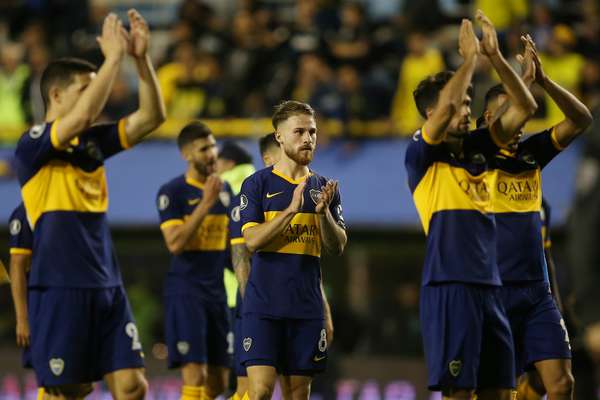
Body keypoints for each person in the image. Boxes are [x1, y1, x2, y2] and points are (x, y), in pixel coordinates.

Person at [13, 10, 165, 399]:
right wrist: (112, 58)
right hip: (60, 287)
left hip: (106, 284)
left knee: (132, 387)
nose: (96, 99)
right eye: (86, 89)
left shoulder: (92, 143)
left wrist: (140, 59)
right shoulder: (33, 145)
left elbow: (152, 116)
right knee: (70, 390)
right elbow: (79, 119)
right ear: (56, 95)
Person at [405, 11, 537, 399]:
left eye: (468, 103)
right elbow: (447, 107)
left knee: (501, 392)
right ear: (433, 114)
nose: (468, 111)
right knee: (459, 393)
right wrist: (468, 62)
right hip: (450, 285)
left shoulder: (480, 148)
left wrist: (494, 58)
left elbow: (525, 107)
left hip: (490, 287)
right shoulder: (420, 155)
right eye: (462, 104)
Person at [480, 35, 592, 400]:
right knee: (499, 391)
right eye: (509, 108)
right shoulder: (476, 157)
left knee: (561, 384)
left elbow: (580, 119)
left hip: (536, 293)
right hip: (494, 292)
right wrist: (515, 75)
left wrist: (544, 81)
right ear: (487, 118)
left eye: (523, 109)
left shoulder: (532, 153)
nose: (519, 115)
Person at [239, 102, 347, 400]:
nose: (308, 138)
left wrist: (323, 214)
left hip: (305, 307)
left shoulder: (325, 187)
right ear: (280, 137)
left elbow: (336, 246)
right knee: (259, 391)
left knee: (298, 394)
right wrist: (289, 211)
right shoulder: (257, 184)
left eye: (312, 132)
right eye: (299, 131)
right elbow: (252, 241)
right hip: (264, 306)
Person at [157, 122, 233, 400]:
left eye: (213, 146)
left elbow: (230, 248)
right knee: (195, 374)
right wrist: (205, 204)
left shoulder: (226, 193)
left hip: (217, 293)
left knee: (219, 382)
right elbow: (175, 243)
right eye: (204, 149)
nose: (212, 154)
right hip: (186, 291)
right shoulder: (172, 192)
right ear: (186, 154)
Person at [8, 203, 54, 399]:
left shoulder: (63, 208)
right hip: (43, 307)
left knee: (76, 379)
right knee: (52, 376)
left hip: (68, 302)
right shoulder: (25, 212)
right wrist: (23, 319)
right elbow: (17, 265)